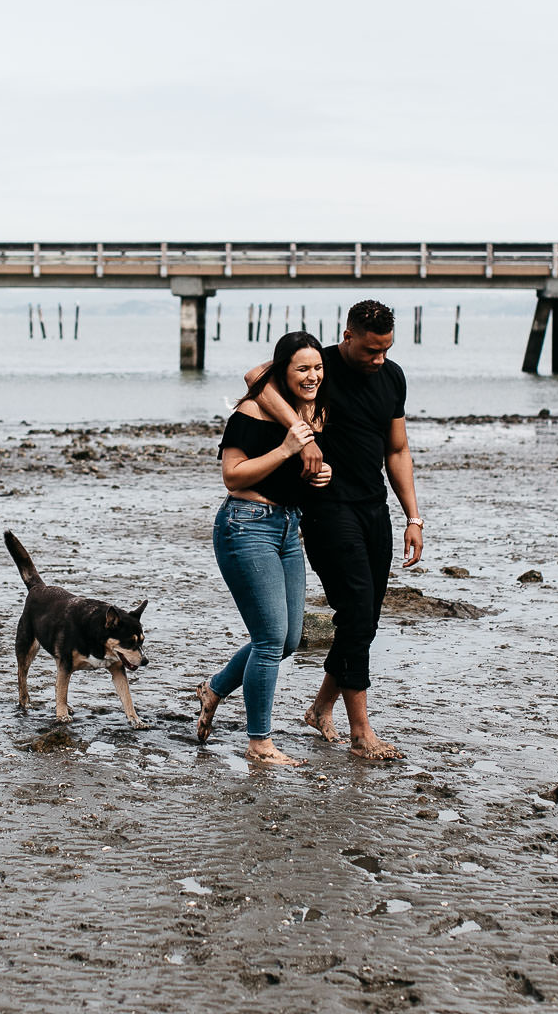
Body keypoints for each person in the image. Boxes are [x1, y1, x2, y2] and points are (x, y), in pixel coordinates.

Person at [249, 300, 419, 761]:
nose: (378, 359)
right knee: (357, 613)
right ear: (347, 336)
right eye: (370, 350)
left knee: (364, 620)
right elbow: (254, 379)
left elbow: (398, 450)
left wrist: (413, 516)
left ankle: (321, 707)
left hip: (373, 508)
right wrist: (301, 436)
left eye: (385, 350)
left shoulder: (393, 376)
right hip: (327, 509)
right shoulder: (316, 366)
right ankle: (361, 732)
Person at [194, 331, 333, 765]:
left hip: (288, 528)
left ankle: (214, 688)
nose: (312, 376)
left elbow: (291, 476)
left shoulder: (312, 413)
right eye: (302, 369)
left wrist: (317, 474)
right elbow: (234, 476)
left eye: (317, 368)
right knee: (270, 639)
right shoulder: (250, 411)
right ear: (281, 371)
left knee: (289, 639)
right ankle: (259, 743)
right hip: (246, 525)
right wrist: (289, 447)